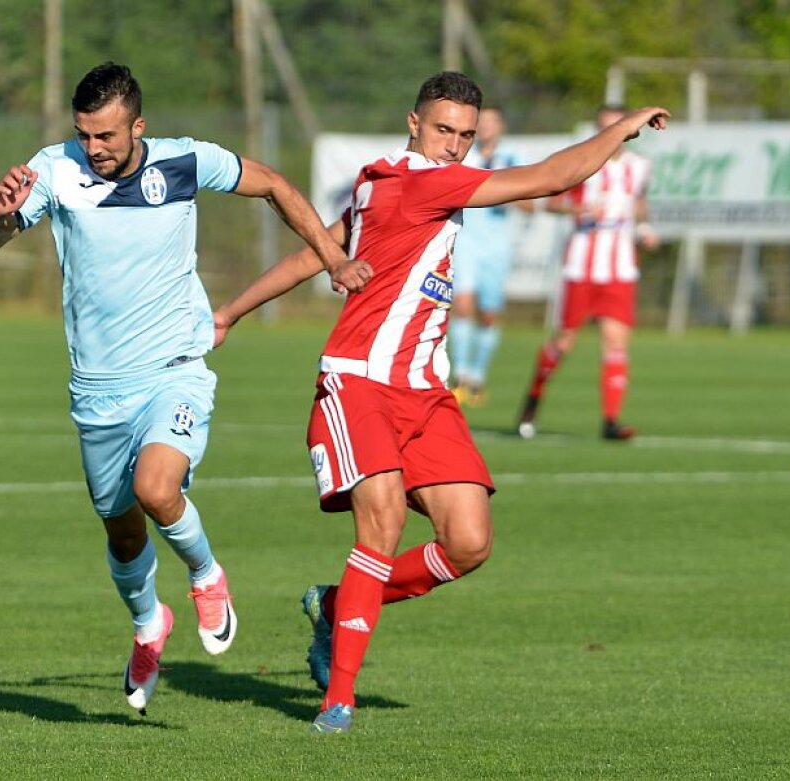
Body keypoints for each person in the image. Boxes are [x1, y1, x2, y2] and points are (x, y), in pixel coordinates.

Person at [213, 71, 668, 734]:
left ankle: (338, 604)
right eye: (442, 129)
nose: (453, 145)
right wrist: (621, 131)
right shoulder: (421, 181)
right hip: (360, 381)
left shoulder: (385, 181)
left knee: (469, 541)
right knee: (385, 522)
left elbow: (323, 252)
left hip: (424, 392)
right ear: (413, 122)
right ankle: (338, 696)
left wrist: (231, 310)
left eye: (465, 134)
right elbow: (550, 177)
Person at [0, 62, 368, 714]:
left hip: (175, 367)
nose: (95, 149)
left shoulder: (184, 162)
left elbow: (275, 185)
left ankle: (208, 576)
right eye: (85, 135)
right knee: (122, 533)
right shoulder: (54, 170)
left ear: (138, 126)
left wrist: (334, 255)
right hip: (96, 389)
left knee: (157, 488)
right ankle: (149, 623)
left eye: (108, 136)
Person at [516, 104, 660, 441]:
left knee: (616, 343)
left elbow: (638, 203)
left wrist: (644, 228)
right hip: (581, 266)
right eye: (604, 127)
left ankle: (611, 421)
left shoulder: (639, 168)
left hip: (620, 268)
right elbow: (551, 201)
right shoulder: (584, 164)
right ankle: (533, 399)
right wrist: (578, 208)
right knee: (564, 342)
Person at [448, 106, 531, 407]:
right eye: (481, 123)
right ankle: (460, 375)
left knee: (489, 314)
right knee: (463, 306)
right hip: (466, 240)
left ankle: (478, 377)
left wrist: (506, 190)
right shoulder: (463, 156)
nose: (486, 128)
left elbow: (530, 202)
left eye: (492, 122)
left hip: (497, 246)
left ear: (501, 126)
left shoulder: (511, 159)